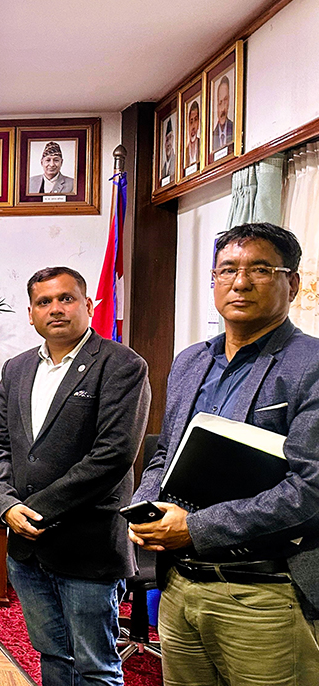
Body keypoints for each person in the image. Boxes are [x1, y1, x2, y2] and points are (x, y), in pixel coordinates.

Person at [129, 222, 319, 684]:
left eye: (260, 269)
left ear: (292, 283)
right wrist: (146, 507)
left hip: (266, 592)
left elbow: (311, 490)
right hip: (179, 586)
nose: (240, 282)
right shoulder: (191, 361)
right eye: (227, 269)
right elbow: (165, 453)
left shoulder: (310, 364)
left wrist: (195, 528)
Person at [0, 266, 150, 686]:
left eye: (66, 298)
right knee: (53, 656)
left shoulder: (121, 364)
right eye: (44, 302)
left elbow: (113, 456)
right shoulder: (17, 368)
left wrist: (33, 510)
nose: (55, 309)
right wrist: (5, 505)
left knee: (95, 667)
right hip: (26, 548)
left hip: (87, 545)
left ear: (88, 305)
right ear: (31, 313)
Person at [211, 76, 235, 152]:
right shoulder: (212, 137)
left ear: (229, 101)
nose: (223, 107)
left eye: (225, 100)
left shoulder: (234, 129)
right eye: (220, 102)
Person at [186, 100, 201, 167]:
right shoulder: (185, 151)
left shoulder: (201, 145)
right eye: (191, 122)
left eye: (195, 120)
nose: (193, 126)